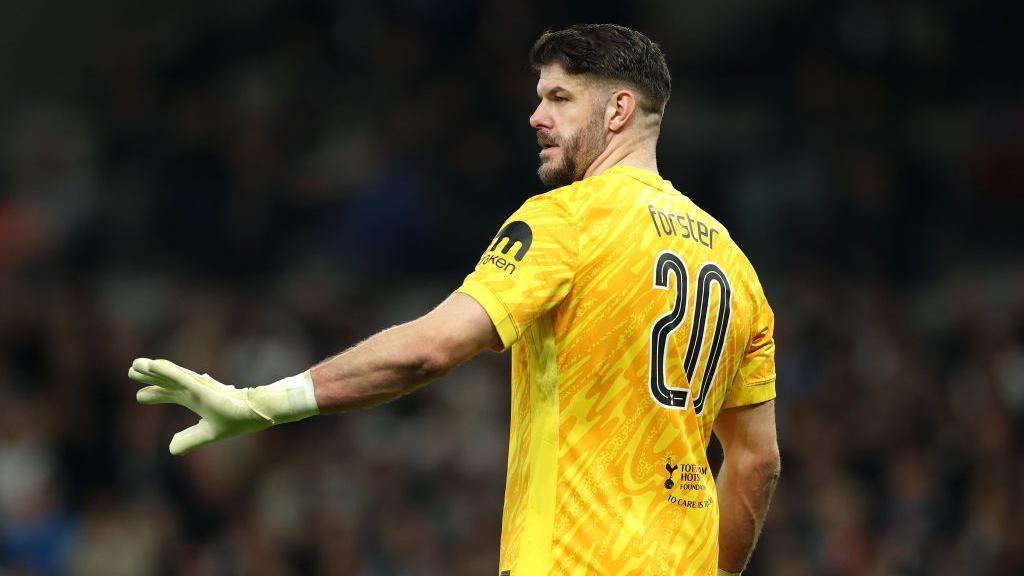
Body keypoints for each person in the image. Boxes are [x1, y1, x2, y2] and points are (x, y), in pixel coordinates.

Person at [129, 23, 780, 576]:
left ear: (616, 111)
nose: (536, 116)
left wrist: (259, 403)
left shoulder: (568, 221)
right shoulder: (735, 266)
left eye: (559, 97)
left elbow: (429, 350)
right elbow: (756, 463)